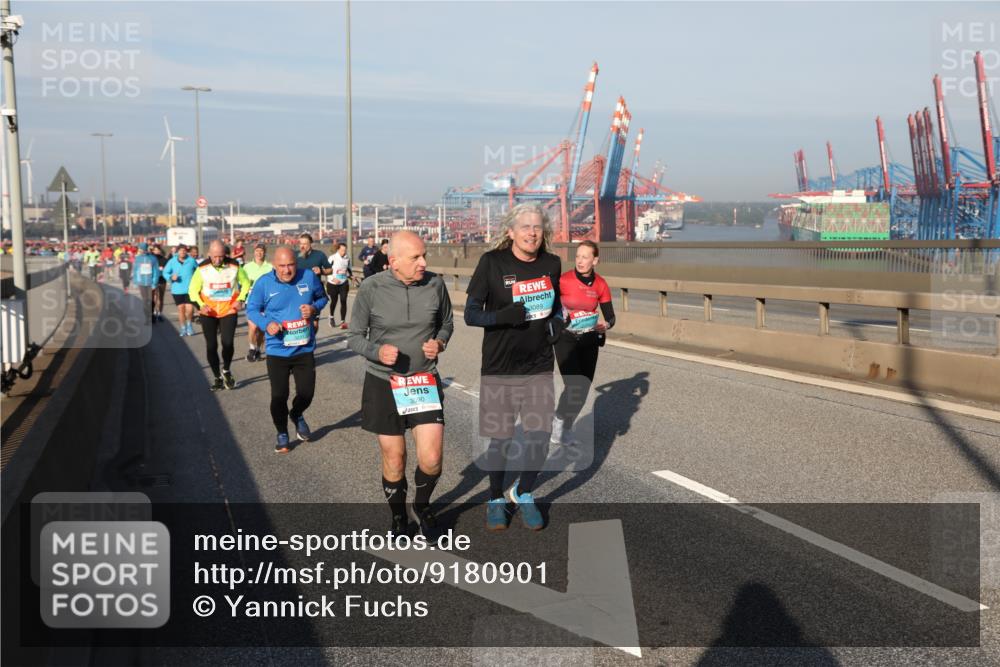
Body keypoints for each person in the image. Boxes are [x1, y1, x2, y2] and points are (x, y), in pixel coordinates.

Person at [348, 230, 453, 538]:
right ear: (393, 261)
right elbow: (354, 337)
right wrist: (376, 351)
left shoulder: (435, 284)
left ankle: (422, 505)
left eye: (424, 256)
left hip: (423, 380)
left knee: (432, 459)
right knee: (395, 458)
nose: (423, 262)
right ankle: (398, 517)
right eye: (416, 257)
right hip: (384, 382)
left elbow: (447, 322)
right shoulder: (371, 287)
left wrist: (440, 342)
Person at [464, 203, 563, 531]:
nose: (532, 233)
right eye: (525, 227)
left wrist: (560, 323)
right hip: (499, 366)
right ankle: (495, 498)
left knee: (540, 437)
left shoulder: (552, 263)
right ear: (510, 231)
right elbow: (471, 313)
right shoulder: (492, 263)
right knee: (502, 439)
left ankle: (523, 492)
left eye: (537, 227)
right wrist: (501, 317)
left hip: (538, 365)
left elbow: (556, 307)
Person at [246, 247, 328, 453]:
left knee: (306, 393)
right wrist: (266, 324)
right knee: (279, 396)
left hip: (304, 348)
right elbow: (252, 309)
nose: (286, 270)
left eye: (290, 265)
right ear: (274, 265)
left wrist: (314, 308)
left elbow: (322, 298)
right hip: (277, 350)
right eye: (281, 266)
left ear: (296, 263)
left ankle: (297, 413)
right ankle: (282, 432)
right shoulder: (264, 283)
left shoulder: (308, 277)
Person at [551, 240, 615, 446]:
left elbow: (611, 317)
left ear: (595, 260)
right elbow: (549, 306)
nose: (580, 261)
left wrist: (605, 325)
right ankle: (558, 420)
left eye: (585, 257)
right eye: (578, 256)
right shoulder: (564, 280)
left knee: (584, 387)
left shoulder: (601, 284)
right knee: (573, 385)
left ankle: (566, 425)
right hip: (565, 337)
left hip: (589, 339)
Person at [189, 240, 251, 391]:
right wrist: (200, 305)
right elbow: (192, 290)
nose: (218, 260)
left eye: (221, 256)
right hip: (208, 312)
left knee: (228, 343)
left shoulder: (235, 265)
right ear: (209, 253)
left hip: (228, 310)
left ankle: (226, 370)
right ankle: (217, 377)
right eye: (215, 256)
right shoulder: (202, 268)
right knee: (211, 346)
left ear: (226, 254)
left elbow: (246, 283)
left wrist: (241, 300)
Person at [243, 244, 274, 361]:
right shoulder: (246, 267)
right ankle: (251, 348)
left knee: (261, 329)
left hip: (266, 302)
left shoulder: (270, 267)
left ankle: (258, 350)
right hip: (251, 301)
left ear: (264, 252)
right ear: (254, 252)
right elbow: (242, 283)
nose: (259, 253)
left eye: (261, 251)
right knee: (252, 327)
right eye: (257, 251)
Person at [162, 244, 199, 336]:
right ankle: (183, 328)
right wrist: (170, 277)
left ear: (186, 251)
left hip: (190, 289)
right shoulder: (172, 261)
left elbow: (199, 271)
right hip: (177, 290)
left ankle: (189, 325)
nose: (182, 252)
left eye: (184, 251)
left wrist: (198, 282)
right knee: (181, 309)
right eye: (180, 250)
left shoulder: (191, 261)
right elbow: (165, 272)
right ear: (177, 252)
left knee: (190, 309)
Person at [326, 242, 355, 329]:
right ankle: (331, 317)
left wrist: (351, 276)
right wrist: (332, 278)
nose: (344, 252)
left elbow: (348, 269)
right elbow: (326, 270)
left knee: (343, 300)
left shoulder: (347, 258)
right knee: (334, 301)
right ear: (338, 249)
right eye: (342, 250)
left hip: (343, 282)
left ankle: (343, 321)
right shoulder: (332, 258)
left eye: (345, 250)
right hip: (333, 283)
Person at [132, 243, 162, 324]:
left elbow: (156, 271)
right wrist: (135, 282)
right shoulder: (137, 258)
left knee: (151, 300)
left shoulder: (153, 258)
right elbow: (136, 271)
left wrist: (154, 283)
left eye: (143, 249)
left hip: (150, 282)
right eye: (140, 249)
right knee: (145, 300)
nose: (142, 251)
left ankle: (151, 315)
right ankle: (147, 317)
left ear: (146, 249)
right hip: (141, 283)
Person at [151, 244, 169, 322]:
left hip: (162, 280)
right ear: (153, 251)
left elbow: (168, 270)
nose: (157, 251)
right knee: (154, 297)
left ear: (160, 250)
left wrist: (163, 270)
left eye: (158, 249)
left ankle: (159, 313)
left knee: (161, 298)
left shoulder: (164, 260)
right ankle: (154, 312)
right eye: (155, 250)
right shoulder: (150, 259)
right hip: (152, 281)